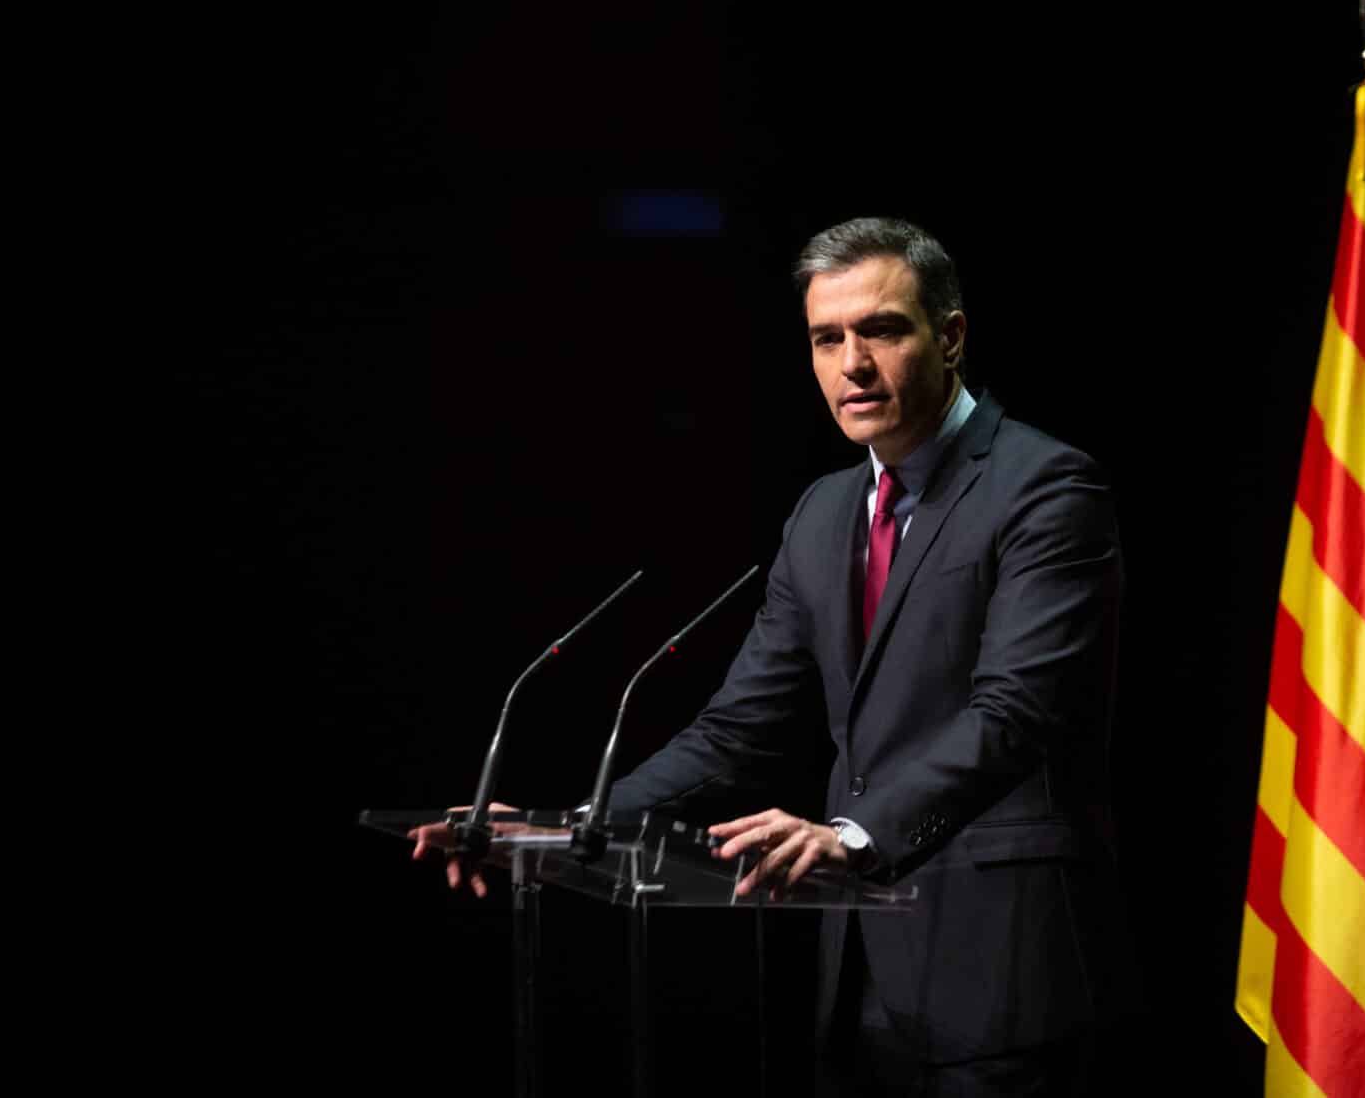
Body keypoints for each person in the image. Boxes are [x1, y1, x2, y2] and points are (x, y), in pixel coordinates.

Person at [417, 217, 1130, 1094]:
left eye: (882, 330)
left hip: (1004, 973)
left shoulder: (1047, 486)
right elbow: (736, 729)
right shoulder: (824, 512)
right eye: (827, 339)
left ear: (950, 337)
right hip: (858, 976)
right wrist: (570, 828)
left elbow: (1014, 712)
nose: (852, 364)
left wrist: (850, 836)